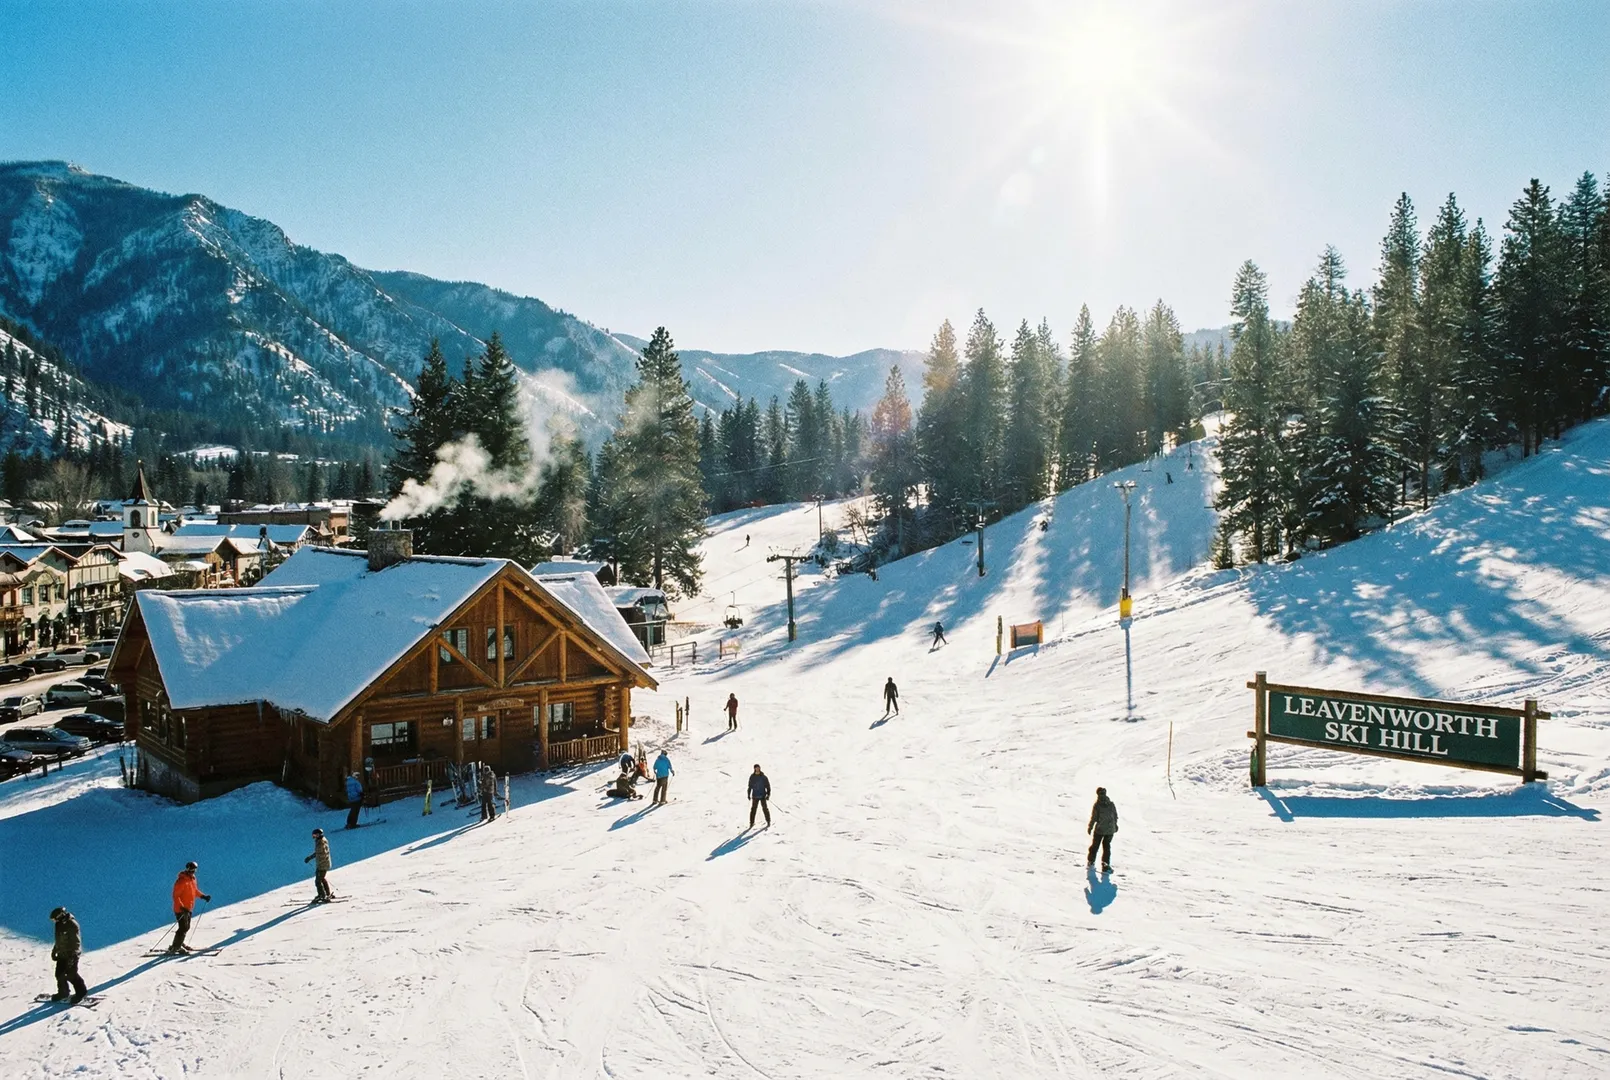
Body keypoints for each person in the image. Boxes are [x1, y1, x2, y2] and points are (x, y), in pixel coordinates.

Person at [169, 861, 210, 954]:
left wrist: (203, 896)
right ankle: (175, 947)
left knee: (186, 927)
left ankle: (179, 943)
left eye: (194, 870)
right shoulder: (181, 880)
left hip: (188, 908)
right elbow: (176, 896)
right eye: (191, 869)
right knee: (183, 927)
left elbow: (194, 891)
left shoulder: (192, 879)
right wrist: (182, 907)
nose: (193, 871)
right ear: (187, 869)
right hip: (180, 909)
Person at [49, 907, 87, 1003]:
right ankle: (63, 992)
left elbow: (76, 942)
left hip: (72, 954)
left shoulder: (72, 924)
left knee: (71, 974)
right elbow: (59, 939)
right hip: (62, 954)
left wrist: (73, 955)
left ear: (60, 916)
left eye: (55, 919)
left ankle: (81, 992)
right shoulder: (59, 924)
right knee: (59, 974)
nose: (54, 921)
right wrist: (55, 950)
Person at [1086, 787, 1118, 872]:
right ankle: (1105, 865)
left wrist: (1090, 827)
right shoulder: (1111, 804)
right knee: (1106, 847)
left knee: (1095, 846)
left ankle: (1091, 861)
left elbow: (1094, 818)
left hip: (1100, 829)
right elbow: (1115, 816)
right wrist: (1115, 825)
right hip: (1110, 830)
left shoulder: (1097, 805)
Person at [304, 828, 333, 902]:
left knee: (318, 881)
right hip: (323, 863)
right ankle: (327, 893)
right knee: (322, 878)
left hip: (322, 864)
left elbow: (319, 853)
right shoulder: (321, 840)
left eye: (315, 835)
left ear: (318, 835)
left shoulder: (321, 842)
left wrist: (310, 857)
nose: (314, 836)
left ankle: (322, 895)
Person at [747, 764, 771, 828]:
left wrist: (768, 794)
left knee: (765, 809)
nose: (757, 769)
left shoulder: (763, 777)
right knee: (753, 810)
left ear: (760, 768)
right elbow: (750, 786)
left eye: (758, 768)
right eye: (756, 768)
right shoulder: (752, 777)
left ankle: (768, 821)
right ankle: (751, 822)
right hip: (755, 796)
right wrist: (748, 794)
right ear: (754, 769)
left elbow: (768, 786)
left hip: (762, 795)